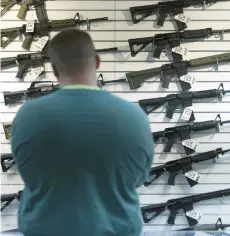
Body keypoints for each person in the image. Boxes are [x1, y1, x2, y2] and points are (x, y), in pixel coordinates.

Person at [11, 29, 154, 236]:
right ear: (97, 62)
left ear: (54, 69)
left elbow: (29, 173)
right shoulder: (134, 116)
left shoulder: (28, 116)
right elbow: (139, 177)